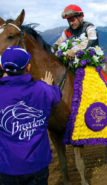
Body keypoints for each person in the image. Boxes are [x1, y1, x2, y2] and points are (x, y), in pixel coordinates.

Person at [0, 46, 62, 185]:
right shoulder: (43, 89)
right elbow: (57, 94)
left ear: (1, 66)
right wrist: (48, 85)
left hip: (7, 167)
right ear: (28, 67)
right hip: (37, 165)